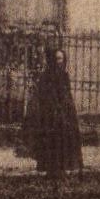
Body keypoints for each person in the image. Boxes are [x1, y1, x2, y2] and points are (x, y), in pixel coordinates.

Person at [19, 47, 83, 180]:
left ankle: (62, 168)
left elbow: (67, 94)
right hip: (50, 115)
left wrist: (69, 110)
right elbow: (44, 96)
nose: (59, 61)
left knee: (65, 141)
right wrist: (55, 109)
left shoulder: (64, 75)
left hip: (64, 113)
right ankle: (51, 169)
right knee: (51, 142)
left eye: (61, 58)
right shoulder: (46, 76)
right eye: (57, 58)